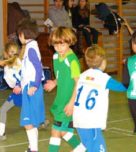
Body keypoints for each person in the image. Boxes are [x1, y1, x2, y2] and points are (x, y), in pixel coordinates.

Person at [69, 45, 126, 151]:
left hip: (79, 119)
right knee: (99, 149)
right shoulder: (103, 79)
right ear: (104, 61)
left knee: (85, 145)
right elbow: (123, 87)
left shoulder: (82, 75)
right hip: (91, 121)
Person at [44, 26, 86, 152]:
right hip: (61, 99)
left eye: (62, 45)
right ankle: (82, 149)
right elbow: (62, 75)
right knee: (62, 133)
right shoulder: (56, 57)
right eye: (56, 46)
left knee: (56, 131)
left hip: (69, 101)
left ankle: (81, 149)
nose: (59, 48)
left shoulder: (72, 60)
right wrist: (54, 82)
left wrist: (72, 103)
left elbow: (78, 82)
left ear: (69, 42)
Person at [13, 18, 45, 152]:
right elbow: (28, 70)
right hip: (29, 86)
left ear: (22, 35)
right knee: (31, 121)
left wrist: (34, 85)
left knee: (27, 122)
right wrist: (21, 84)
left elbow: (38, 68)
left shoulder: (31, 48)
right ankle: (33, 148)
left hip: (32, 87)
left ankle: (34, 149)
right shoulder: (31, 46)